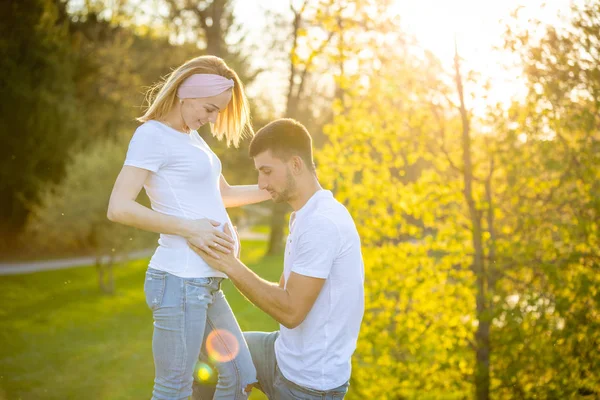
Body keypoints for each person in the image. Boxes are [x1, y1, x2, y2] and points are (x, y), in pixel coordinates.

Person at [107, 55, 270, 400]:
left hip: (207, 282)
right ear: (186, 93)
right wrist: (188, 228)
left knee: (241, 376)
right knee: (173, 389)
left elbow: (222, 194)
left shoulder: (193, 138)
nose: (211, 120)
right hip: (179, 281)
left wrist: (276, 189)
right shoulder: (152, 135)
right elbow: (119, 206)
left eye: (217, 113)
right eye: (210, 109)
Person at [191, 118, 365, 400]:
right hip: (283, 354)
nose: (261, 183)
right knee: (211, 353)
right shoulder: (304, 216)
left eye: (267, 171)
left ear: (296, 165)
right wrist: (234, 260)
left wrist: (230, 264)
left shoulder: (323, 223)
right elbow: (283, 291)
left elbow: (290, 312)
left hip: (308, 386)